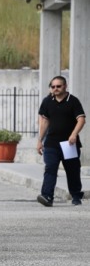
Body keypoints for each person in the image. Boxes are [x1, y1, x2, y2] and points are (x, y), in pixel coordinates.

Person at [36, 75, 85, 206]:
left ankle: (76, 195)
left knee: (72, 170)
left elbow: (81, 119)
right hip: (51, 143)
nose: (55, 89)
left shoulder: (73, 101)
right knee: (50, 168)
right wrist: (40, 140)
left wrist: (74, 134)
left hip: (69, 144)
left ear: (65, 86)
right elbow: (44, 121)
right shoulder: (47, 101)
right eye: (53, 87)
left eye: (58, 86)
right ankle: (47, 196)